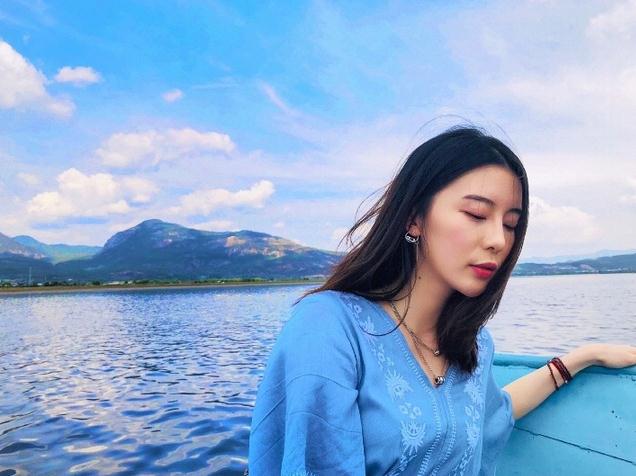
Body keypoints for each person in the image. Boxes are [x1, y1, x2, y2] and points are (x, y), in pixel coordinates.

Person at [247, 126, 636, 475]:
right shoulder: (330, 328)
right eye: (476, 214)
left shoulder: (473, 345)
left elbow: (493, 415)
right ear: (414, 218)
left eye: (510, 224)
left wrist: (582, 358)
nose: (499, 240)